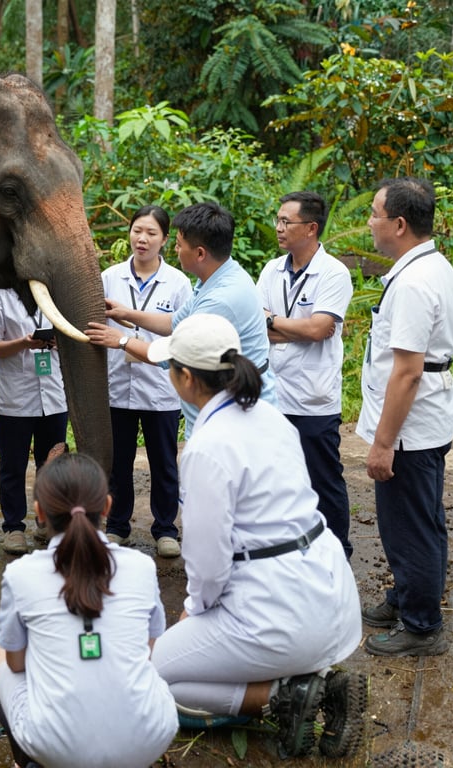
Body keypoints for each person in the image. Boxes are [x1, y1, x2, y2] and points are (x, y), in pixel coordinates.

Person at [147, 313, 365, 759]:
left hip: (277, 613)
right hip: (329, 596)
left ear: (186, 378)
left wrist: (194, 612)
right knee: (195, 655)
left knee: (150, 676)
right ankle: (307, 682)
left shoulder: (207, 447)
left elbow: (208, 566)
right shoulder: (271, 416)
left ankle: (287, 693)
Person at [0, 452, 178, 768]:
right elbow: (146, 652)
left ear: (39, 513)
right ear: (106, 507)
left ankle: (29, 760)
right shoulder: (141, 567)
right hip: (149, 737)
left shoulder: (21, 575)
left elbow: (16, 666)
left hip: (58, 747)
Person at [357, 177, 453, 657]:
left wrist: (383, 443)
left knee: (410, 527)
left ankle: (422, 626)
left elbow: (406, 372)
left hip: (410, 431)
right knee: (423, 519)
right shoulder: (429, 267)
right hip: (424, 423)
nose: (371, 222)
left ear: (399, 224)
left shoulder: (416, 282)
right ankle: (408, 596)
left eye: (376, 214)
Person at [87, 201, 277, 439]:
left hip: (234, 413)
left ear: (199, 253)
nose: (176, 251)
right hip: (220, 405)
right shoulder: (215, 276)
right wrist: (126, 313)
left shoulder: (221, 299)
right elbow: (177, 321)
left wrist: (122, 340)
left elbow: (173, 354)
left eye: (178, 245)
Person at [257, 191, 354, 558]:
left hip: (314, 398)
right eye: (278, 220)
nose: (279, 228)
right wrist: (291, 326)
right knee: (281, 479)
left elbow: (320, 330)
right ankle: (293, 548)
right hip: (274, 394)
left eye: (287, 222)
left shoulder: (333, 273)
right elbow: (258, 324)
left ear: (311, 228)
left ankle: (337, 551)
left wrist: (275, 323)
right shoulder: (272, 269)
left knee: (323, 478)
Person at [99, 206, 191, 557]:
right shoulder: (109, 277)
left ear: (165, 239)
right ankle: (117, 526)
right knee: (118, 463)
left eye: (151, 233)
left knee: (164, 463)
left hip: (160, 389)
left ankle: (165, 529)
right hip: (117, 385)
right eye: (138, 230)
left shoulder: (179, 283)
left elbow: (181, 332)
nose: (142, 239)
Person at [0, 288, 69, 555]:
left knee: (52, 463)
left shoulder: (56, 291)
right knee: (13, 466)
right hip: (15, 400)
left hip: (53, 397)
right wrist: (23, 343)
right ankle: (14, 528)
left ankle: (47, 520)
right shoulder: (0, 296)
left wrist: (55, 343)